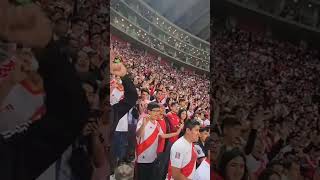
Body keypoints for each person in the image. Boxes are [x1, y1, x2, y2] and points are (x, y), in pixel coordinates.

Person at [135, 102, 183, 180]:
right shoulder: (143, 120)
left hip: (153, 157)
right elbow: (138, 135)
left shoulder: (157, 124)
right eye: (155, 111)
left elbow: (163, 135)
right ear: (149, 111)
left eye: (158, 111)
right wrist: (144, 124)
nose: (157, 113)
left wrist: (177, 132)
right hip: (142, 157)